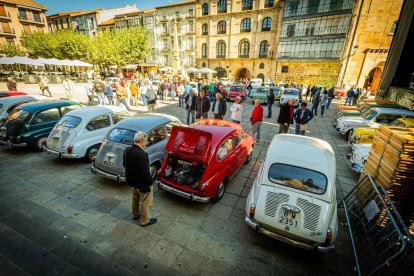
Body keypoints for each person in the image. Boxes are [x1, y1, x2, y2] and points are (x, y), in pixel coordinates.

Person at [123, 132, 157, 227]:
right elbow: (145, 172)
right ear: (142, 141)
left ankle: (135, 214)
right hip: (142, 184)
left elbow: (124, 164)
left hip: (131, 181)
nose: (147, 142)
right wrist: (150, 183)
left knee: (135, 198)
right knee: (145, 202)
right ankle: (145, 220)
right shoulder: (142, 154)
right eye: (146, 140)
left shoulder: (127, 149)